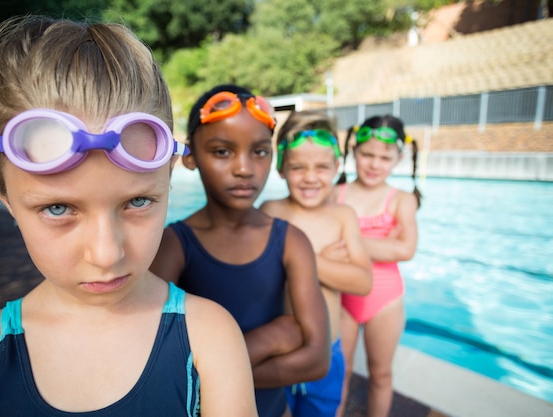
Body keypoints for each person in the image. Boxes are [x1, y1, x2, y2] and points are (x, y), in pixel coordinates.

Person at [0, 16, 258, 417]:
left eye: (137, 202)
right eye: (57, 208)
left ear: (168, 177)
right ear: (3, 194)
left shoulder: (210, 340)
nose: (106, 255)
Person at [150, 84, 331, 417]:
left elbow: (318, 360)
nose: (244, 168)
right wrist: (270, 340)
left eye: (259, 152)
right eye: (222, 152)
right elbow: (151, 365)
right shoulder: (174, 245)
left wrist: (209, 377)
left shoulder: (291, 241)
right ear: (190, 157)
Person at [260, 110, 372, 417]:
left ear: (337, 166)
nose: (310, 177)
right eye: (298, 167)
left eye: (322, 167)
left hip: (327, 350)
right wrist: (325, 263)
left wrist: (301, 260)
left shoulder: (342, 216)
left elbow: (363, 282)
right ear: (281, 168)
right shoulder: (271, 211)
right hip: (278, 350)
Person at [334, 114, 421, 417]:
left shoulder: (402, 200)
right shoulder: (337, 194)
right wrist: (383, 245)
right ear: (354, 152)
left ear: (398, 158)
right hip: (342, 296)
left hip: (384, 300)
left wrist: (350, 240)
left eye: (385, 157)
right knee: (338, 373)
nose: (374, 164)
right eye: (367, 154)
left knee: (381, 375)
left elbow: (406, 249)